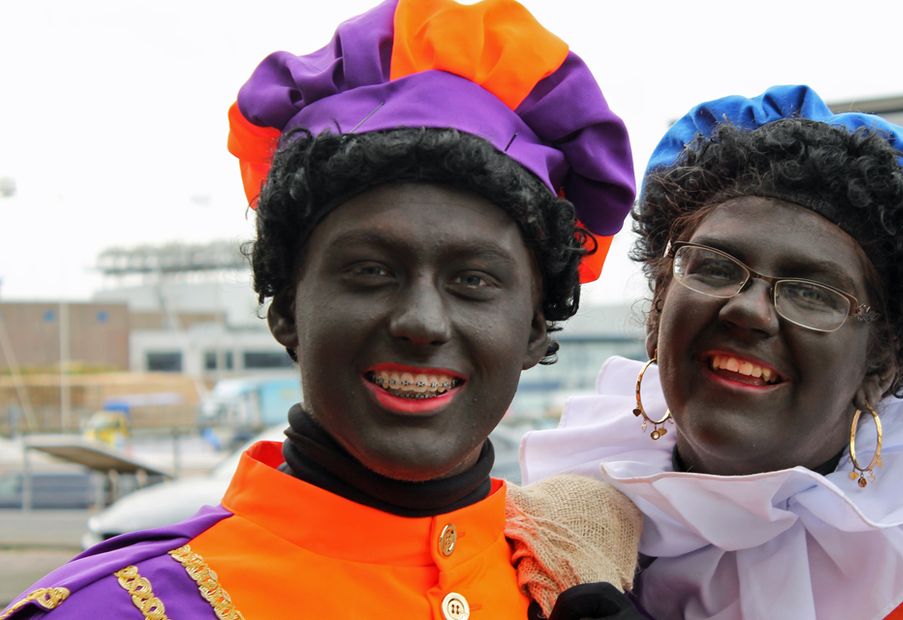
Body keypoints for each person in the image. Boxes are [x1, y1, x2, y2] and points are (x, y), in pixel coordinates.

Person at [2, 1, 643, 618]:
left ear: (534, 329)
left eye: (473, 280)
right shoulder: (122, 609)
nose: (421, 321)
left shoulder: (571, 579)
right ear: (284, 307)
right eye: (371, 271)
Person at [522, 85, 903, 619]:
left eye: (812, 293)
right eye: (716, 267)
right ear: (657, 314)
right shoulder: (565, 526)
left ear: (881, 365)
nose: (747, 310)